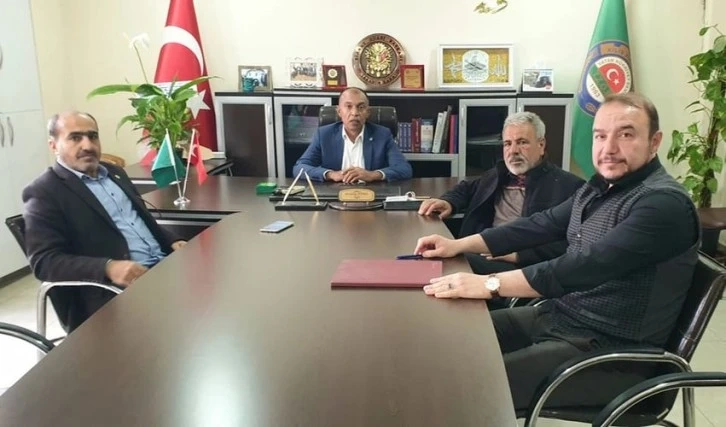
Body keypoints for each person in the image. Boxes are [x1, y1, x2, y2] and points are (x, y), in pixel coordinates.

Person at [413, 93, 700, 410]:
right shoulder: (598, 188)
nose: (609, 148)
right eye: (600, 136)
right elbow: (538, 225)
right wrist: (457, 244)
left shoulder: (662, 204)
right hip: (557, 317)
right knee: (448, 341)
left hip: (610, 354)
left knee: (466, 386)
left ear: (654, 142)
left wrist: (489, 284)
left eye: (626, 134)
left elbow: (584, 266)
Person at [22, 111, 186, 332]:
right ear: (54, 145)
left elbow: (140, 222)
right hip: (113, 292)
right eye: (75, 137)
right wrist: (108, 267)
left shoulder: (114, 173)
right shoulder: (44, 191)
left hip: (161, 271)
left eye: (93, 136)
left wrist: (172, 240)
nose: (88, 145)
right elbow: (44, 261)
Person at [418, 111, 583, 279]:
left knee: (439, 265)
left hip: (525, 268)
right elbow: (466, 188)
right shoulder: (498, 174)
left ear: (541, 145)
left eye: (522, 142)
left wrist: (520, 255)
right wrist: (448, 202)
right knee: (429, 258)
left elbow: (577, 243)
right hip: (482, 251)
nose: (513, 151)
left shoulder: (570, 186)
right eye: (507, 144)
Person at [292, 87, 412, 183]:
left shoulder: (382, 135)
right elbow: (300, 167)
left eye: (361, 107)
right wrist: (331, 174)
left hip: (372, 194)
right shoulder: (324, 135)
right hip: (335, 195)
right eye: (348, 107)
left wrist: (372, 175)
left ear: (368, 112)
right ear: (339, 111)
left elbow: (404, 169)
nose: (354, 113)